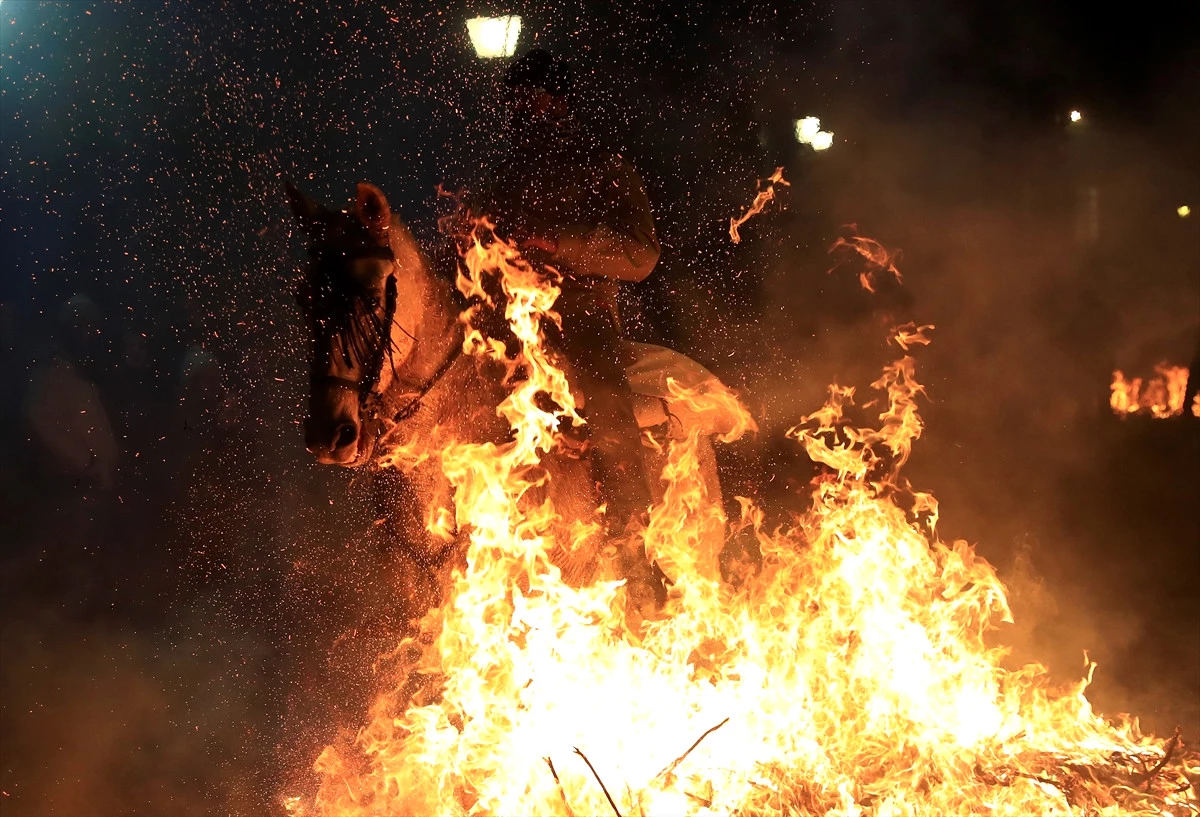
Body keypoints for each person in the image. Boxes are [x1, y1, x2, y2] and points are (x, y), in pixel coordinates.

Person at [474, 49, 661, 542]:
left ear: (558, 102)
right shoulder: (509, 172)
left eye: (528, 98)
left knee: (601, 386)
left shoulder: (603, 166)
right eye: (513, 100)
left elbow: (641, 254)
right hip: (509, 313)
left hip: (580, 312)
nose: (519, 110)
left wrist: (558, 242)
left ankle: (629, 519)